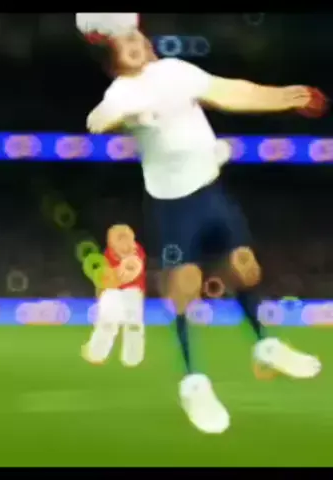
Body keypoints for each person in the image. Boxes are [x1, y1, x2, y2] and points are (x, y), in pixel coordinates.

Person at [77, 13, 327, 435]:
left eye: (137, 38)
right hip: (173, 206)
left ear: (149, 44)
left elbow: (233, 92)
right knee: (185, 288)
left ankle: (266, 345)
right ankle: (194, 383)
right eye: (124, 43)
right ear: (114, 61)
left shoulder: (177, 72)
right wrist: (123, 113)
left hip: (211, 193)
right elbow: (100, 118)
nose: (134, 43)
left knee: (246, 269)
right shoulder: (123, 91)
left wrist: (287, 97)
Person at [82, 224, 146, 368]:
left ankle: (132, 358)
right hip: (113, 293)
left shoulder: (137, 252)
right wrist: (102, 289)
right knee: (107, 324)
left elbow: (130, 271)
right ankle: (97, 354)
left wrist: (113, 278)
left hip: (131, 292)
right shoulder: (108, 254)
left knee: (133, 326)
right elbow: (103, 278)